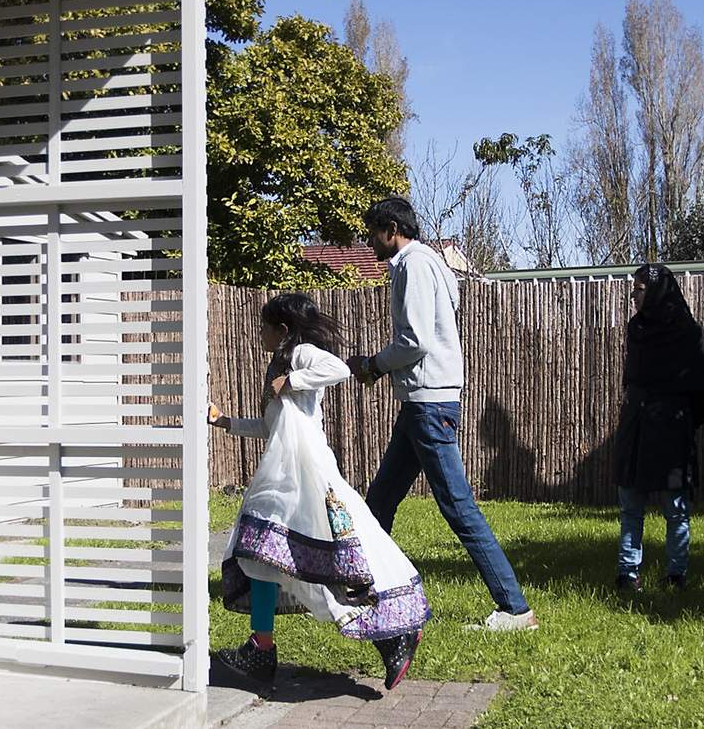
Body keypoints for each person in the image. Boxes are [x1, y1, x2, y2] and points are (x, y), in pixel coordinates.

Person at [209, 293, 429, 689]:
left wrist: (291, 379)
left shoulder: (302, 354)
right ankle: (262, 648)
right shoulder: (279, 364)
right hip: (280, 478)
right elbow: (270, 427)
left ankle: (393, 635)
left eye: (265, 327)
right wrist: (226, 422)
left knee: (334, 564)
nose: (260, 333)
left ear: (284, 330)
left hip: (308, 477)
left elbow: (339, 369)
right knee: (261, 558)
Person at [348, 196, 538, 632]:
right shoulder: (432, 263)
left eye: (374, 233)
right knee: (382, 498)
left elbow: (414, 341)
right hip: (424, 401)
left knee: (457, 506)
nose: (370, 242)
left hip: (428, 403)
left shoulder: (414, 265)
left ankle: (514, 607)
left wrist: (373, 365)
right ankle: (362, 586)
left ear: (392, 228)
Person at [612, 264, 704, 592]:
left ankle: (676, 574)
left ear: (657, 290)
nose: (633, 294)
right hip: (638, 424)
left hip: (672, 425)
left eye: (640, 288)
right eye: (634, 288)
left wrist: (687, 418)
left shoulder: (687, 332)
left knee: (675, 506)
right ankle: (628, 573)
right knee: (631, 501)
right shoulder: (637, 329)